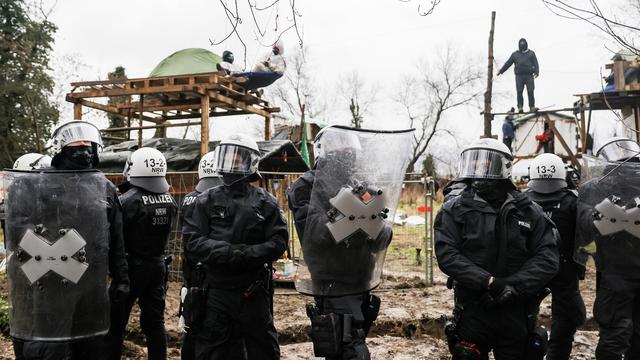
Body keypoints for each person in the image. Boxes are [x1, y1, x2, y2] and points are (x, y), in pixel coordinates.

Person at [6, 120, 129, 360]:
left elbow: (116, 238)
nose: (83, 147)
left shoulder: (104, 188)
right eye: (76, 142)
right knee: (50, 347)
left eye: (88, 143)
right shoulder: (38, 183)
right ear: (61, 147)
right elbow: (18, 228)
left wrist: (121, 279)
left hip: (91, 280)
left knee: (91, 346)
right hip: (51, 280)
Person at [288, 125, 411, 360]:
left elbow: (380, 238)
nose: (347, 155)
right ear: (325, 152)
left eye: (350, 151)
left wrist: (375, 225)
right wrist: (349, 217)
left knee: (345, 349)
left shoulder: (359, 184)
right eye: (341, 150)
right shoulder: (307, 186)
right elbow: (314, 233)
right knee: (352, 351)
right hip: (333, 284)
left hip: (362, 282)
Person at [435, 138, 559, 359]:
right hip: (473, 309)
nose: (477, 169)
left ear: (504, 167)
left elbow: (547, 258)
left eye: (485, 163)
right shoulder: (454, 209)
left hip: (517, 311)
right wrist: (488, 282)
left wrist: (513, 286)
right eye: (473, 162)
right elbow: (448, 255)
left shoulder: (529, 211)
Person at [182, 134, 287, 360]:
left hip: (253, 290)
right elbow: (193, 241)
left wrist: (248, 254)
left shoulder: (265, 201)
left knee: (264, 349)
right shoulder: (205, 200)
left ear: (250, 163)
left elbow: (279, 242)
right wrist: (229, 252)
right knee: (212, 350)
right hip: (215, 291)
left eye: (237, 159)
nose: (231, 163)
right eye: (226, 157)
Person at [106, 147, 177, 360]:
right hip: (157, 267)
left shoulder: (127, 201)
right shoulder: (169, 200)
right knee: (155, 324)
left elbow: (116, 237)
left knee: (115, 325)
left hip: (131, 269)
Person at [576, 137, 640, 360]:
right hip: (615, 272)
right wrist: (601, 215)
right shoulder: (597, 187)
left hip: (624, 270)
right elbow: (584, 221)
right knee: (615, 334)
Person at [525, 154, 585, 360]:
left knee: (525, 314)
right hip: (564, 268)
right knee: (566, 318)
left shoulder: (522, 200)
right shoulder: (572, 200)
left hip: (531, 269)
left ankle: (530, 350)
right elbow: (585, 236)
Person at [178, 151, 222, 360]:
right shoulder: (223, 199)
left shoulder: (188, 199)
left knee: (191, 321)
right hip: (214, 272)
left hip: (192, 271)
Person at [497, 38, 539, 113]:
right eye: (521, 44)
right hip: (519, 76)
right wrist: (501, 71)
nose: (522, 45)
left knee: (530, 91)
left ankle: (532, 107)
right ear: (519, 45)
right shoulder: (515, 54)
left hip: (529, 75)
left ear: (526, 44)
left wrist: (536, 72)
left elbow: (536, 63)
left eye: (523, 44)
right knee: (519, 92)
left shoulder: (531, 53)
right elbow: (508, 63)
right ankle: (520, 107)